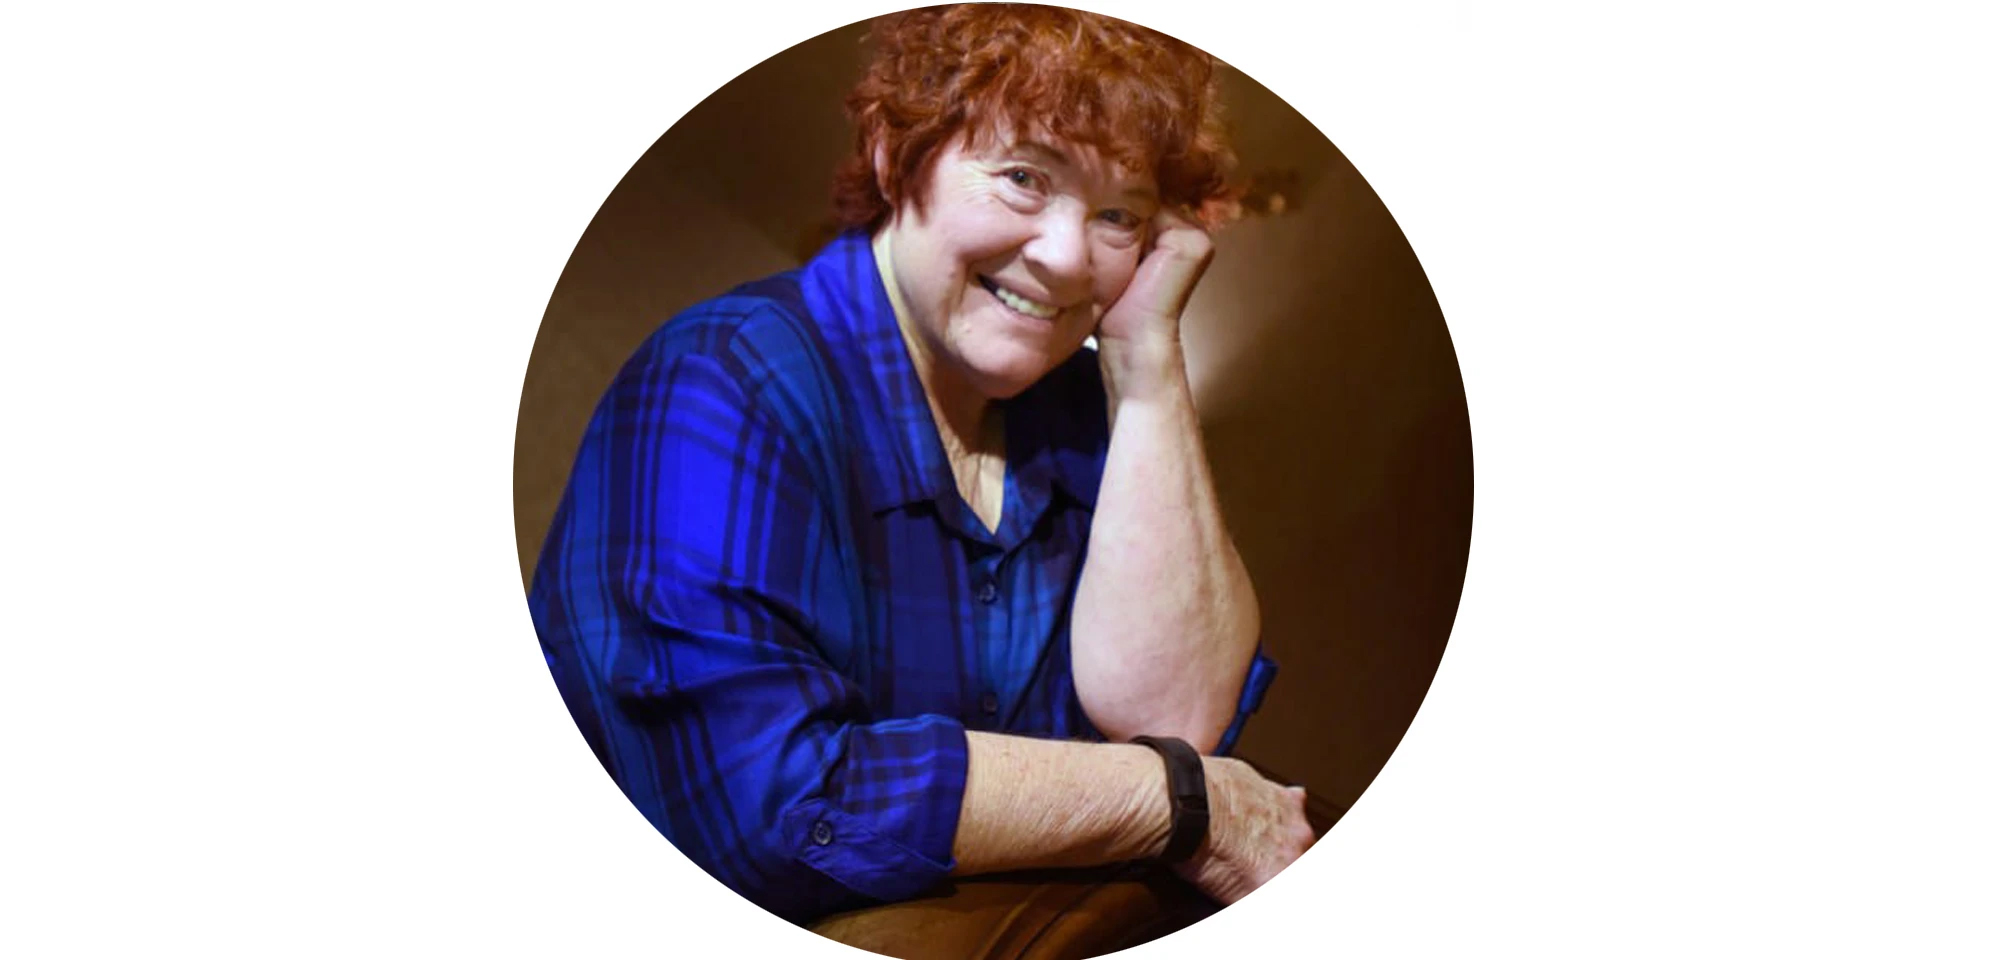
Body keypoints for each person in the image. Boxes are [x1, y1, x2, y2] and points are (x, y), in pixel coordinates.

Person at [528, 4, 1315, 923]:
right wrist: (1175, 802)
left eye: (1118, 215)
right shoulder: (726, 375)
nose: (1066, 258)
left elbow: (1177, 725)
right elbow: (769, 805)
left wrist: (1146, 363)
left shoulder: (1090, 414)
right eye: (1022, 178)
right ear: (894, 158)